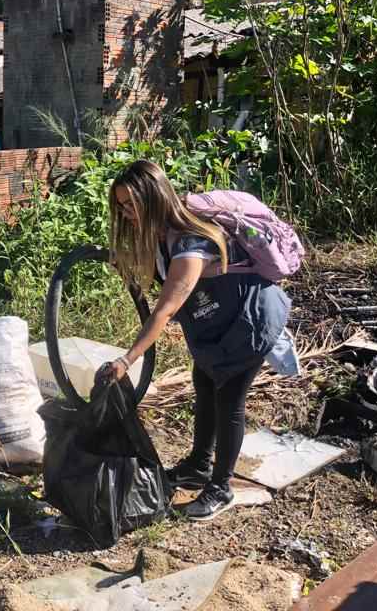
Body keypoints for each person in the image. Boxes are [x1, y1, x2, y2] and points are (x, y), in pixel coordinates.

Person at [104, 160, 295, 521]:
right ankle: (198, 465)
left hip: (247, 321)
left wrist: (126, 360)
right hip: (214, 324)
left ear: (153, 198)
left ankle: (221, 488)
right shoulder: (162, 234)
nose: (127, 213)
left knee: (229, 402)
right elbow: (158, 276)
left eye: (131, 204)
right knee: (204, 385)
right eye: (121, 206)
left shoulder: (192, 241)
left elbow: (165, 309)